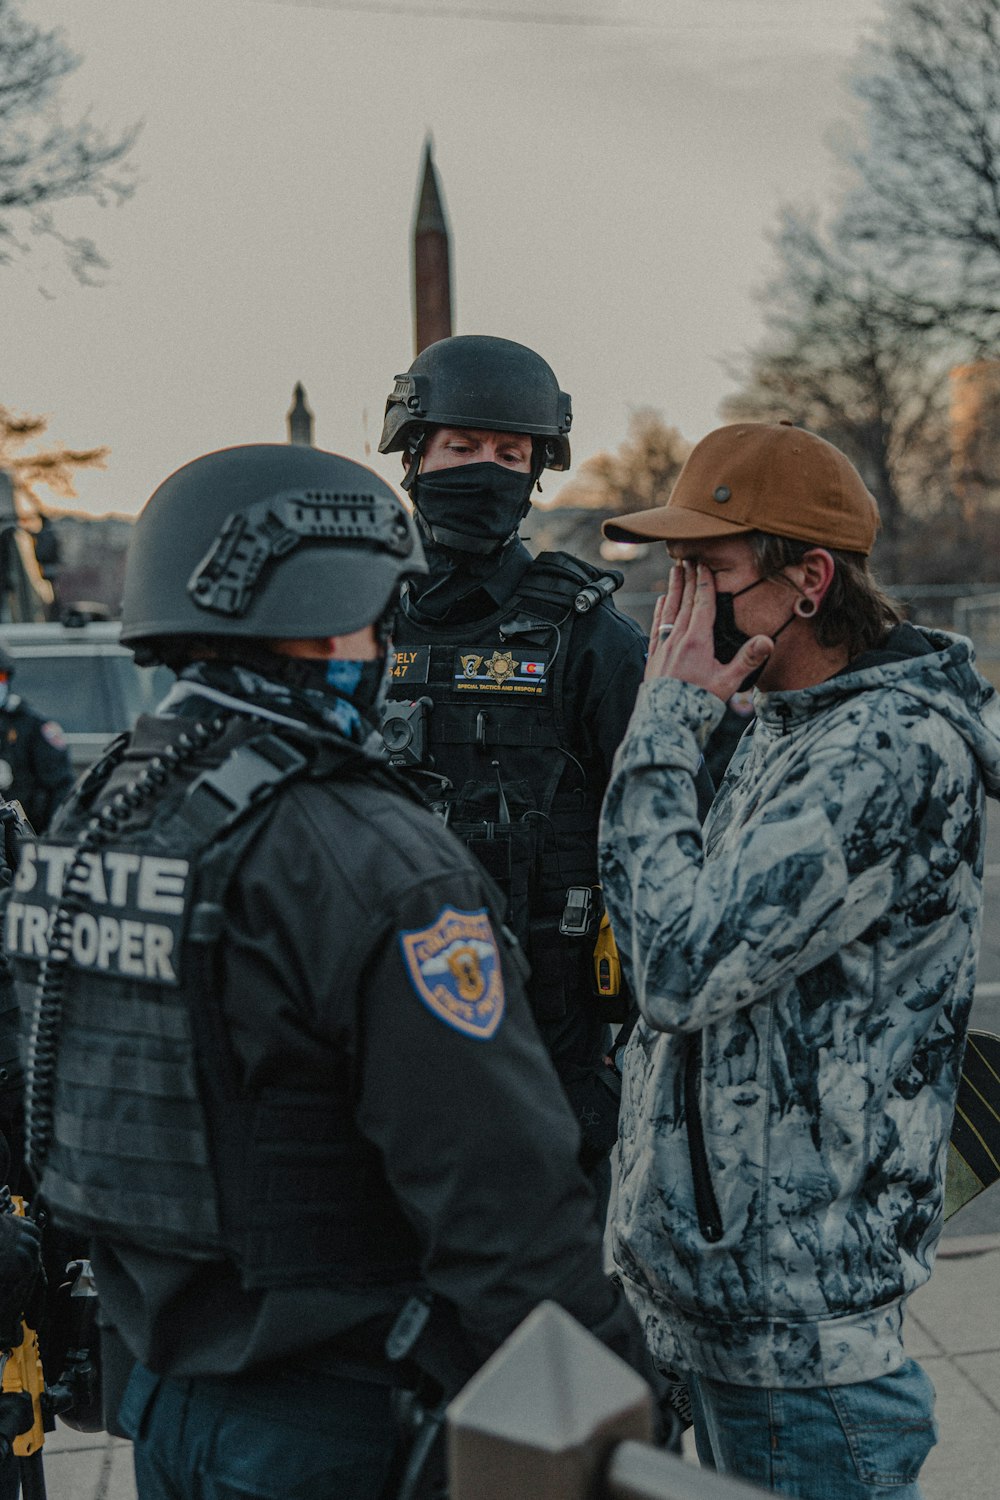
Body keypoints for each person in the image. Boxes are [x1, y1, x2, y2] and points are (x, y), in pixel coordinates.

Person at [4, 443, 648, 1500]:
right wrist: (623, 1400)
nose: (387, 641)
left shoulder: (100, 812)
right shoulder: (369, 855)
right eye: (372, 613)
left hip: (163, 1402)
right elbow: (503, 1201)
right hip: (338, 1417)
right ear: (319, 616)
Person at [598, 420, 1000, 1499]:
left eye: (708, 571)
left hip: (797, 1351)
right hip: (715, 1313)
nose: (678, 605)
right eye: (672, 572)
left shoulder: (886, 748)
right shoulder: (787, 720)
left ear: (808, 580)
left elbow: (677, 966)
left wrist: (662, 723)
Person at [379, 333, 709, 1185]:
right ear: (413, 455)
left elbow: (673, 827)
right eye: (462, 447)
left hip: (549, 1053)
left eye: (510, 453)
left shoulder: (586, 637)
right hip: (374, 1045)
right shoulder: (351, 623)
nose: (486, 468)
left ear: (535, 474)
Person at [0, 646, 73, 832]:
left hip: (22, 835)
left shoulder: (29, 724)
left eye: (0, 677)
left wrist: (49, 836)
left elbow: (60, 787)